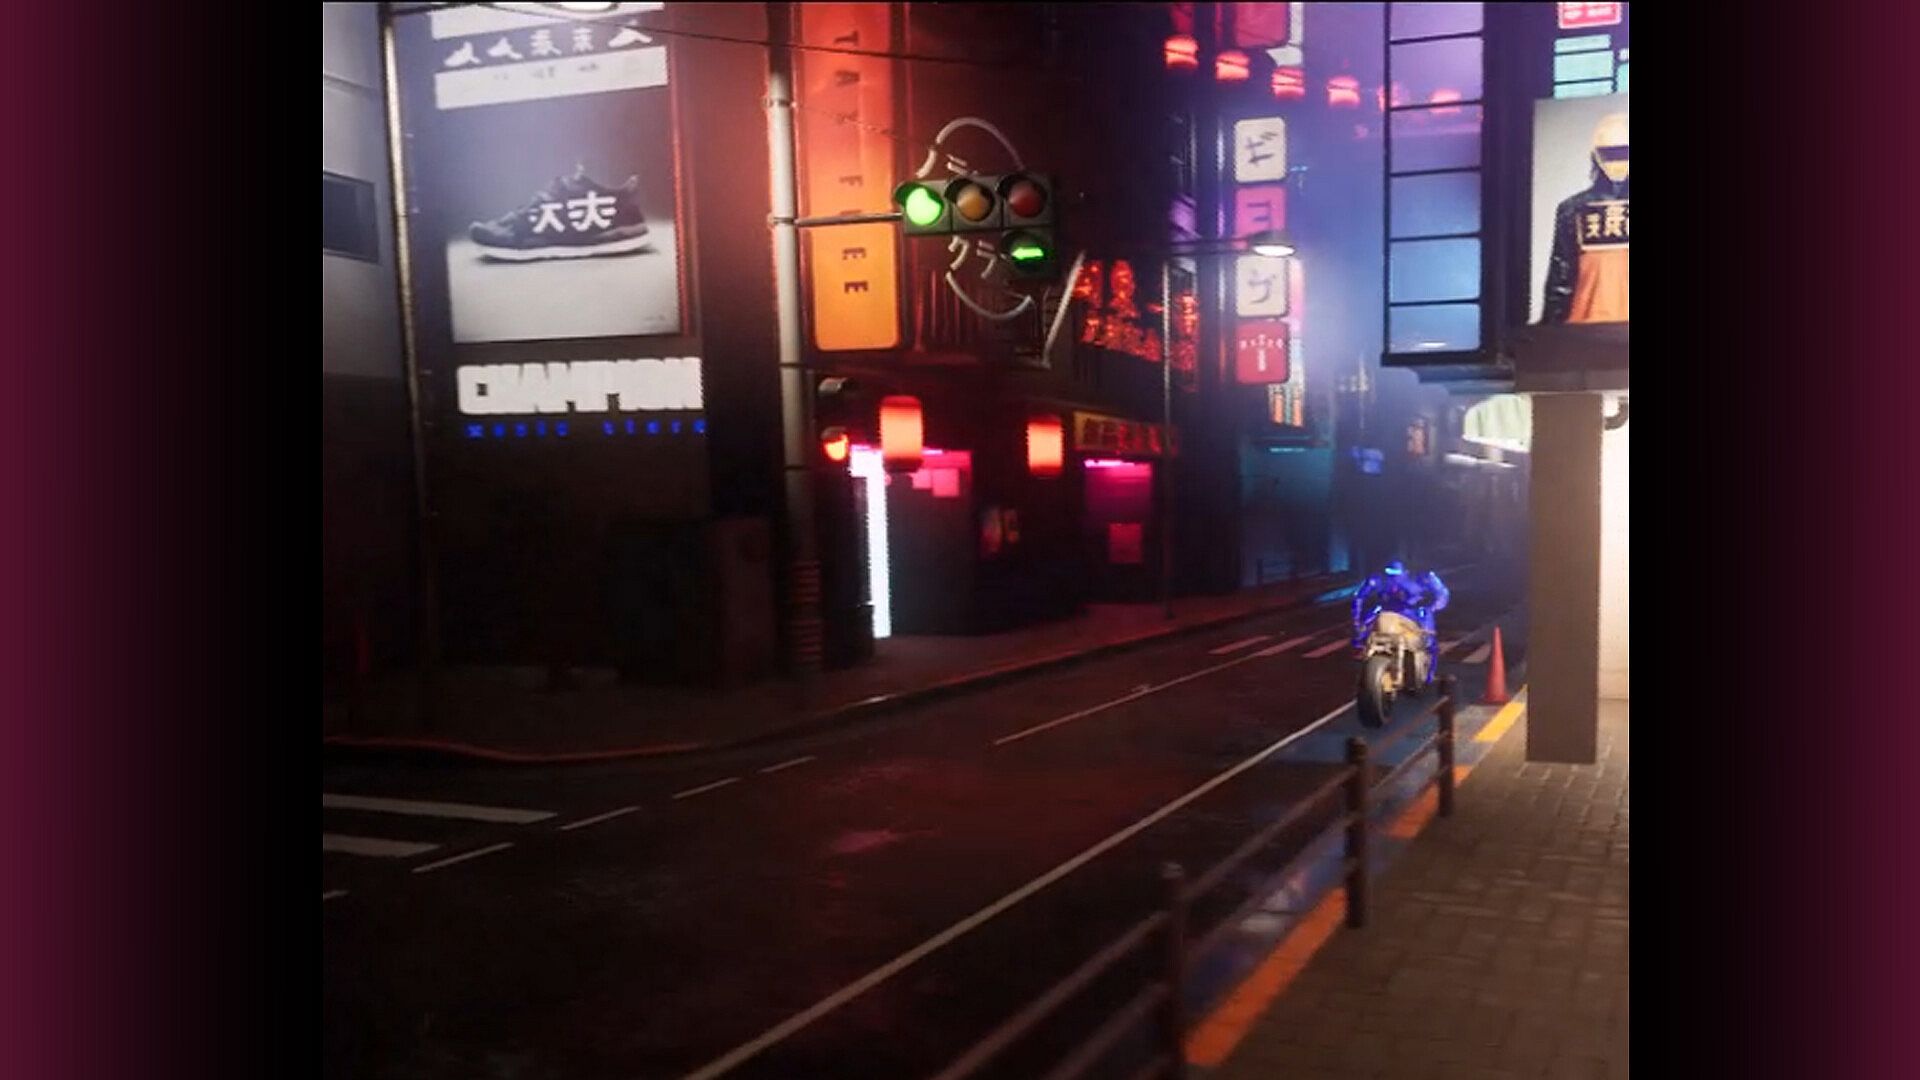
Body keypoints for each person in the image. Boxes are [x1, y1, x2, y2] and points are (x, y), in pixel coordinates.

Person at [1541, 112, 1629, 324]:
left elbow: (1560, 283)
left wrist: (1550, 330)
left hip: (1585, 330)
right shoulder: (1572, 209)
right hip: (1584, 330)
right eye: (1611, 153)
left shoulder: (1573, 208)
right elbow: (1561, 280)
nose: (1617, 161)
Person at [1351, 560, 1450, 683]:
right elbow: (1359, 596)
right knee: (1362, 632)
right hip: (1385, 609)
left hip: (1413, 611)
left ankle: (1428, 675)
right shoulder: (1377, 579)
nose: (1394, 578)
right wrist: (1357, 621)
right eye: (1390, 574)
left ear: (1406, 572)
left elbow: (1442, 592)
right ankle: (1365, 661)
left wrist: (1433, 607)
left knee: (1428, 640)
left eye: (1397, 574)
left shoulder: (1424, 577)